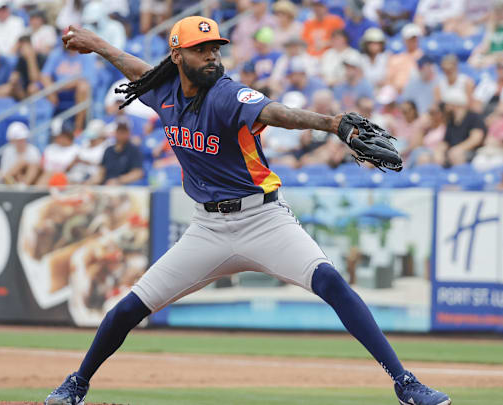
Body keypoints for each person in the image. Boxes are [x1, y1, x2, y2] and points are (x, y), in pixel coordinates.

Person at [47, 16, 452, 405]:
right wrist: (97, 44)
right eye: (199, 48)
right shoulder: (164, 89)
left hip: (263, 220)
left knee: (331, 282)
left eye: (214, 47)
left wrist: (331, 123)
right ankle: (76, 384)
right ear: (177, 57)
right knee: (129, 308)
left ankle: (405, 385)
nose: (211, 55)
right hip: (207, 229)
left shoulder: (225, 93)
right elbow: (137, 68)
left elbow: (279, 114)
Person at [435, 90, 487, 166]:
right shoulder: (451, 120)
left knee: (456, 155)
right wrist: (439, 150)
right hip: (453, 151)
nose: (445, 108)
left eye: (447, 105)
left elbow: (476, 139)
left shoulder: (474, 117)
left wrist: (458, 149)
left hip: (471, 153)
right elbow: (446, 141)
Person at [469, 0, 503, 68]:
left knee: (502, 62)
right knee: (474, 61)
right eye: (496, 12)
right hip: (491, 57)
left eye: (500, 11)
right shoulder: (492, 25)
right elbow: (486, 46)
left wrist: (499, 56)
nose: (498, 15)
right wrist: (476, 52)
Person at [88, 119, 144, 185]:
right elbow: (102, 171)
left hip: (124, 186)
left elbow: (138, 173)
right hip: (106, 185)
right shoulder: (108, 150)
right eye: (119, 131)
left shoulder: (134, 150)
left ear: (129, 133)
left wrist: (118, 180)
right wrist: (90, 182)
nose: (121, 134)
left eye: (123, 132)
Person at [385, 23, 424, 93]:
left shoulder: (424, 58)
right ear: (404, 40)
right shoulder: (395, 59)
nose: (413, 41)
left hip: (417, 93)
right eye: (410, 39)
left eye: (415, 39)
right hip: (396, 93)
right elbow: (388, 80)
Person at [0, 121, 42, 185]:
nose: (22, 142)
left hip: (31, 182)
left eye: (23, 139)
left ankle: (23, 186)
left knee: (27, 163)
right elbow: (4, 172)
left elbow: (37, 169)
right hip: (14, 180)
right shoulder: (8, 151)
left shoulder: (33, 150)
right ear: (12, 140)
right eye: (19, 139)